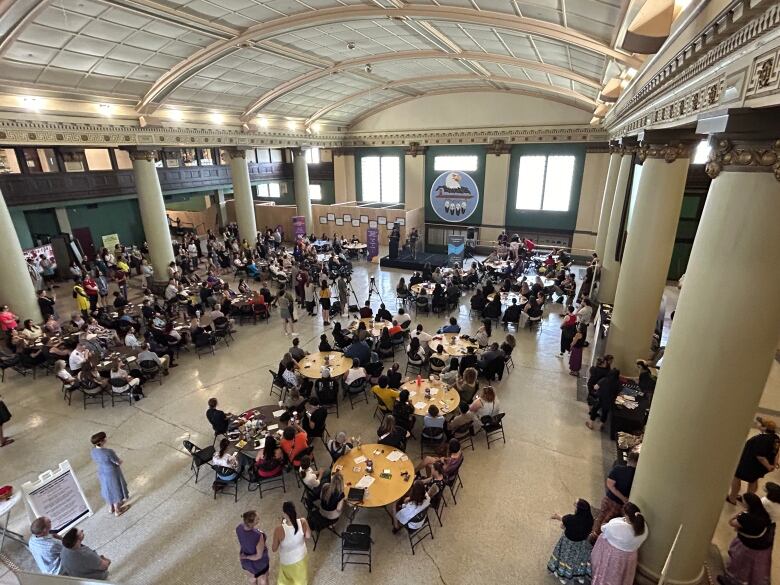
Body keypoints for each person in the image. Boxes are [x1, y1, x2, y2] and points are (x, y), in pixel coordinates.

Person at [718, 492, 774, 585]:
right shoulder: (765, 515)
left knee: (740, 566)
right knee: (755, 570)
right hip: (762, 550)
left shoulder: (746, 518)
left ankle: (732, 581)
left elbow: (731, 522)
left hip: (748, 548)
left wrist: (740, 513)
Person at [590, 502, 648, 585]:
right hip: (629, 557)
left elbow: (604, 529)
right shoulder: (643, 528)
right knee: (621, 576)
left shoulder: (617, 526)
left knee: (607, 572)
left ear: (627, 516)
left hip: (612, 556)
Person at [727, 418, 780, 504]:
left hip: (751, 464)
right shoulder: (776, 438)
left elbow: (760, 456)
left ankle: (732, 498)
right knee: (753, 481)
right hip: (760, 467)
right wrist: (773, 464)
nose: (756, 425)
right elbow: (776, 452)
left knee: (736, 478)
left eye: (758, 424)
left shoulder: (762, 439)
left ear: (764, 427)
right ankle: (748, 501)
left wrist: (768, 466)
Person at [591, 452, 639, 539]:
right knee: (608, 521)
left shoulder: (618, 469)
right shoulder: (636, 476)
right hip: (619, 505)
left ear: (628, 459)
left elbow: (610, 484)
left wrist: (620, 496)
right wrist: (624, 498)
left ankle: (593, 534)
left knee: (601, 515)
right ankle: (598, 538)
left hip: (608, 498)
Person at [547, 499, 594, 584]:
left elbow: (563, 526)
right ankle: (579, 575)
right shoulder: (590, 520)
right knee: (578, 559)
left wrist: (557, 517)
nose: (573, 505)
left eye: (575, 504)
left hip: (568, 543)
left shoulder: (570, 519)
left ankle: (562, 575)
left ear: (578, 509)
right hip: (581, 544)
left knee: (565, 558)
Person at [90, 432, 129, 517]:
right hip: (112, 472)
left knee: (107, 489)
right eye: (104, 438)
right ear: (101, 441)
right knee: (115, 489)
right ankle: (117, 510)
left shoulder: (93, 451)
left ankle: (111, 508)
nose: (106, 439)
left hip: (102, 471)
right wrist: (120, 461)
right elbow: (117, 462)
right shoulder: (108, 452)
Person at [272, 502, 311, 585]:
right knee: (301, 579)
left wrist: (281, 524)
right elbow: (308, 536)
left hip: (287, 561)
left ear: (284, 514)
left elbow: (274, 549)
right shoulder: (303, 521)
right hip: (301, 556)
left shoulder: (278, 529)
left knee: (286, 581)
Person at [236, 510, 270, 585]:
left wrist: (245, 557)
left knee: (252, 578)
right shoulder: (258, 536)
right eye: (257, 519)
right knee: (264, 579)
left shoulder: (238, 528)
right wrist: (247, 557)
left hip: (246, 563)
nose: (259, 519)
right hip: (260, 563)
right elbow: (258, 556)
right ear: (251, 523)